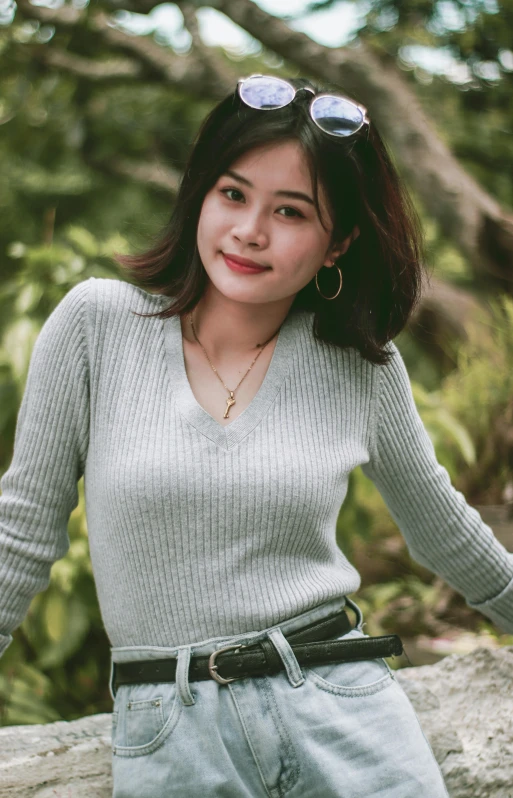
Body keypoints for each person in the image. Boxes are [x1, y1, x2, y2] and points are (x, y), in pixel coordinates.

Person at [1, 73, 512, 797]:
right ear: (199, 195)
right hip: (169, 729)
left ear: (338, 243)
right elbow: (20, 535)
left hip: (341, 709)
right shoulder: (95, 326)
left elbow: (442, 530)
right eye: (232, 194)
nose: (250, 230)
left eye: (292, 212)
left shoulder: (358, 367)